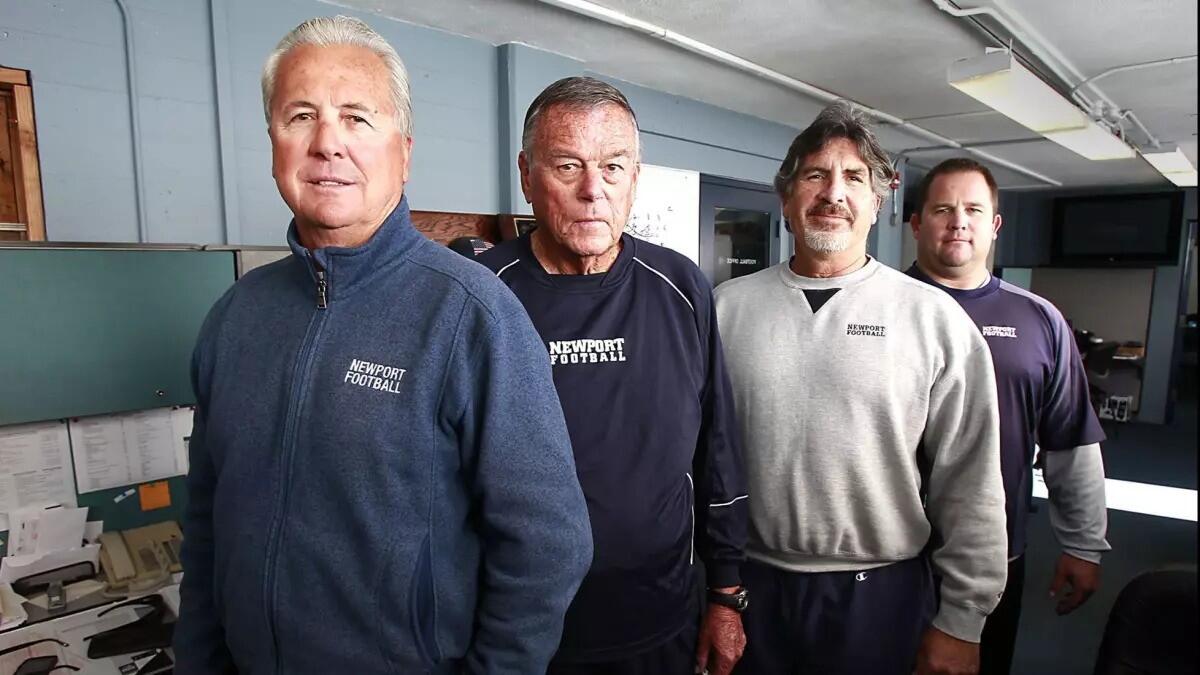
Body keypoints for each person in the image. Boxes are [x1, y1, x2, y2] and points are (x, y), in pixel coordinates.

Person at [174, 16, 592, 675]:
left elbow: (548, 544)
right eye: (301, 115)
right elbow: (206, 525)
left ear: (403, 150)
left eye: (357, 118)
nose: (327, 144)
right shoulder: (234, 318)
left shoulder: (472, 315)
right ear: (273, 143)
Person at [714, 101, 1008, 675]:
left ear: (878, 202)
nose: (833, 193)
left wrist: (963, 620)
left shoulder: (933, 319)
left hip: (881, 596)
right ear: (786, 198)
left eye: (855, 178)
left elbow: (971, 482)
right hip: (749, 589)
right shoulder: (725, 310)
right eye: (815, 175)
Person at [477, 76, 749, 675]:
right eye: (567, 165)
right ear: (527, 175)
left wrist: (726, 594)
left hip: (659, 620)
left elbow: (716, 451)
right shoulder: (478, 297)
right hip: (518, 633)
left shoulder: (682, 288)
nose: (592, 190)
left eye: (613, 166)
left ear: (635, 176)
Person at [907, 157, 1110, 675]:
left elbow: (1070, 439)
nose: (959, 221)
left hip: (995, 556)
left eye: (974, 209)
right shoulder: (879, 308)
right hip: (885, 557)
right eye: (943, 209)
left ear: (994, 225)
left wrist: (1084, 543)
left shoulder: (1040, 320)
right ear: (916, 222)